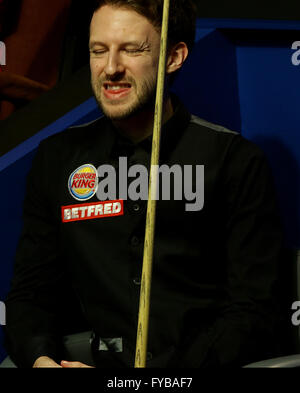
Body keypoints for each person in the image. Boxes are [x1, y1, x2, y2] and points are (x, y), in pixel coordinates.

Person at [4, 0, 284, 368]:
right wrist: (43, 362)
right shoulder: (57, 159)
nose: (111, 68)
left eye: (132, 50)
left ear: (174, 57)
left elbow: (254, 312)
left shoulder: (233, 160)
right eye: (98, 51)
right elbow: (31, 297)